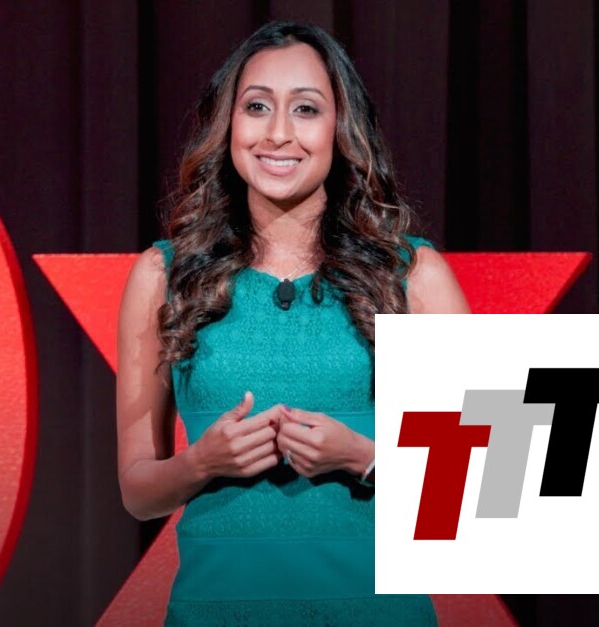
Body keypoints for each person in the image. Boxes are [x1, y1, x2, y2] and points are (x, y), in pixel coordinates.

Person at [116, 21, 469, 626]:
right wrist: (201, 464)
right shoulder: (163, 275)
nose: (278, 132)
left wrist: (362, 456)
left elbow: (475, 486)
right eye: (257, 107)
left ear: (341, 128)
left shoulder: (414, 275)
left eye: (306, 109)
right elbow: (137, 491)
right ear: (228, 124)